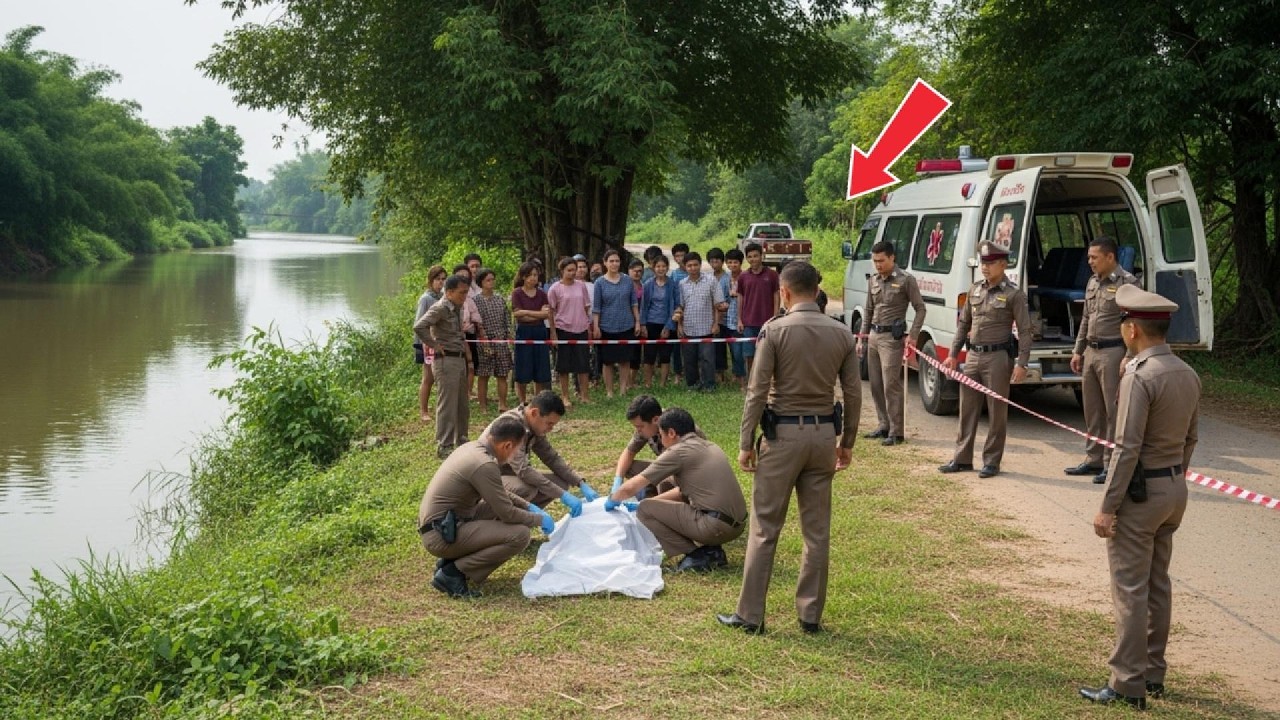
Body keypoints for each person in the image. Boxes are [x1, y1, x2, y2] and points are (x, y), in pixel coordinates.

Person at [718, 261, 860, 635]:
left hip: (783, 437)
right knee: (817, 532)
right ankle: (810, 615)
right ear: (817, 289)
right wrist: (847, 442)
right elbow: (854, 394)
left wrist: (745, 442)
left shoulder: (774, 331)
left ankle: (750, 615)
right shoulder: (842, 333)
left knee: (765, 527)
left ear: (784, 291)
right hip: (822, 437)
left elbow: (757, 391)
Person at [1078, 284, 1199, 710]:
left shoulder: (1139, 375)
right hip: (1173, 488)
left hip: (1141, 492)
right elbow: (1190, 438)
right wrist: (1172, 475)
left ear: (1131, 330)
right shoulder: (1187, 372)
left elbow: (1125, 447)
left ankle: (1127, 683)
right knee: (1157, 583)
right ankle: (1152, 672)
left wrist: (1108, 506)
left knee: (1130, 587)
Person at [418, 415, 556, 598]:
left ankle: (452, 561)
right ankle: (454, 572)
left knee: (507, 504)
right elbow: (507, 514)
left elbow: (499, 492)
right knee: (520, 535)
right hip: (441, 535)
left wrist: (528, 506)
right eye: (517, 450)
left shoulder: (472, 449)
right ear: (506, 446)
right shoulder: (484, 464)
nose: (516, 456)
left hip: (446, 524)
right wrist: (539, 519)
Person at [606, 407, 747, 573]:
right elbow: (682, 493)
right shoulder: (707, 445)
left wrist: (613, 498)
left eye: (661, 434)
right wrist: (652, 502)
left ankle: (698, 554)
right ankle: (710, 550)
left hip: (715, 527)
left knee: (645, 510)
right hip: (736, 525)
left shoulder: (677, 452)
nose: (660, 439)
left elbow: (633, 486)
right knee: (650, 502)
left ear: (671, 433)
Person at [938, 242, 1033, 479]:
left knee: (996, 412)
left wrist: (1022, 363)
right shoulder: (975, 290)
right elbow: (964, 324)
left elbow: (1025, 331)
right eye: (983, 263)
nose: (985, 267)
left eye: (990, 263)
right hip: (973, 356)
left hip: (998, 357)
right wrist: (952, 354)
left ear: (1003, 264)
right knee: (967, 409)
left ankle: (991, 461)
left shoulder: (1014, 294)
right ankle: (961, 459)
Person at [1067, 236, 1140, 484]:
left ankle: (1111, 463)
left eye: (1094, 257)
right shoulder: (1092, 282)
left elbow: (1134, 325)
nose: (1090, 262)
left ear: (1110, 257)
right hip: (1091, 352)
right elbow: (1086, 318)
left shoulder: (1128, 284)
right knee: (1092, 410)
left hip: (1113, 353)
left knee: (1112, 411)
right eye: (1089, 257)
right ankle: (1093, 459)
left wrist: (1129, 356)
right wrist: (1078, 350)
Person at [479, 390, 599, 513]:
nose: (550, 429)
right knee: (526, 488)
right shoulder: (513, 426)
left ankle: (525, 516)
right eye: (549, 423)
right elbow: (523, 470)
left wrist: (579, 482)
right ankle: (508, 519)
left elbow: (551, 457)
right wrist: (562, 495)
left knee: (560, 483)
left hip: (507, 474)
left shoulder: (532, 426)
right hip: (487, 480)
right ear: (535, 413)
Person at [857, 241, 927, 446]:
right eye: (875, 261)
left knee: (891, 385)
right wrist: (862, 338)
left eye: (881, 261)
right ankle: (883, 425)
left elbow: (920, 308)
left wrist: (913, 335)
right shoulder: (873, 281)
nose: (878, 265)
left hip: (891, 339)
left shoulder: (906, 280)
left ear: (892, 258)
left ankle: (897, 431)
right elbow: (868, 310)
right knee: (876, 385)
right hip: (874, 336)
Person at [414, 275, 473, 458]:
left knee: (462, 403)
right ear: (449, 292)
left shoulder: (458, 308)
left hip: (459, 358)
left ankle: (462, 439)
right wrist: (433, 344)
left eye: (466, 292)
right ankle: (444, 444)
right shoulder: (440, 308)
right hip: (445, 361)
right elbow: (419, 326)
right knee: (447, 404)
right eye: (461, 293)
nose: (464, 296)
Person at [611, 394, 707, 499]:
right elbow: (629, 452)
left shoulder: (679, 428)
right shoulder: (649, 423)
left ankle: (659, 501)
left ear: (656, 420)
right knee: (629, 467)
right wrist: (618, 480)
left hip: (688, 475)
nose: (638, 430)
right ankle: (650, 494)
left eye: (640, 426)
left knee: (663, 482)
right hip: (668, 467)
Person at [673, 251, 726, 391]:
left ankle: (709, 385)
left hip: (707, 328)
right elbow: (680, 306)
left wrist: (716, 324)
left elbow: (718, 304)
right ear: (685, 267)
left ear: (700, 265)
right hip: (688, 328)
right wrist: (679, 325)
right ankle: (693, 385)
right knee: (689, 361)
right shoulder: (681, 284)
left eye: (695, 264)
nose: (693, 268)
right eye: (689, 265)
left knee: (708, 360)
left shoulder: (711, 281)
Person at [591, 249, 640, 398]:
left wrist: (637, 322)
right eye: (611, 261)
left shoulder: (627, 280)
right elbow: (596, 307)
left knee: (625, 360)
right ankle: (610, 391)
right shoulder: (599, 283)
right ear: (605, 263)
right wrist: (596, 326)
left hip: (626, 325)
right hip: (606, 326)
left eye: (617, 261)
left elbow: (633, 303)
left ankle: (623, 390)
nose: (614, 264)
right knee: (608, 362)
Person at [549, 257, 592, 406]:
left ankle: (584, 395)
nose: (573, 273)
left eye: (575, 270)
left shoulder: (581, 286)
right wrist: (553, 332)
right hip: (563, 329)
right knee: (563, 366)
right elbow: (551, 312)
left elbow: (586, 307)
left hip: (581, 329)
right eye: (569, 270)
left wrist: (588, 326)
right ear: (562, 271)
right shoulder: (555, 288)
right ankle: (565, 396)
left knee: (583, 365)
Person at [511, 261, 553, 405]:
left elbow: (545, 315)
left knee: (540, 367)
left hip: (540, 331)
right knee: (523, 366)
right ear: (523, 277)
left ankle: (537, 400)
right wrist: (536, 313)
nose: (533, 278)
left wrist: (527, 312)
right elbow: (517, 315)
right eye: (530, 275)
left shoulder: (542, 294)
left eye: (535, 275)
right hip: (523, 332)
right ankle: (522, 401)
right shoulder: (517, 293)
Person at [736, 242, 780, 379]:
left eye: (756, 256)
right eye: (750, 257)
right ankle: (752, 381)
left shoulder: (772, 275)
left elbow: (776, 295)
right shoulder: (743, 276)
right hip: (748, 322)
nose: (753, 259)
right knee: (749, 355)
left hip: (767, 322)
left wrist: (776, 316)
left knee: (768, 354)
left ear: (762, 256)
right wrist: (739, 319)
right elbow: (740, 297)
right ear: (747, 259)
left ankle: (769, 382)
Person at [473, 268, 513, 413]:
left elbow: (506, 319)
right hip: (483, 342)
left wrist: (508, 334)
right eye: (487, 280)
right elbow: (475, 322)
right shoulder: (475, 301)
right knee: (483, 375)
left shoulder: (499, 299)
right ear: (481, 283)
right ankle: (483, 405)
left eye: (492, 279)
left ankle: (502, 404)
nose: (491, 282)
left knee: (502, 374)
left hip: (500, 340)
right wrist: (482, 338)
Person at [414, 264, 448, 422]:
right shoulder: (426, 298)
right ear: (431, 280)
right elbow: (420, 324)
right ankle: (424, 411)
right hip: (426, 343)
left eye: (443, 279)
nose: (440, 282)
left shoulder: (443, 297)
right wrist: (427, 342)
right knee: (428, 377)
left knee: (439, 376)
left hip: (440, 341)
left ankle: (439, 409)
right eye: (437, 279)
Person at [640, 254, 676, 387]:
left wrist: (668, 326)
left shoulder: (672, 284)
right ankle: (648, 383)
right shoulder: (648, 284)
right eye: (658, 266)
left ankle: (662, 384)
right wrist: (643, 324)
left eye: (663, 266)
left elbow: (674, 306)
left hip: (666, 323)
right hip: (651, 323)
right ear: (653, 268)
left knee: (665, 356)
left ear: (667, 268)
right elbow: (643, 306)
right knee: (649, 356)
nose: (661, 269)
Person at [453, 263, 486, 401]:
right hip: (454, 336)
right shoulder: (447, 297)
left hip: (469, 334)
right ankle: (457, 393)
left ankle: (468, 393)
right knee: (457, 365)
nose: (463, 278)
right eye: (460, 276)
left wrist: (481, 333)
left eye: (466, 276)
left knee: (471, 364)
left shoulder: (470, 298)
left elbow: (476, 316)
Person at [723, 248, 748, 388]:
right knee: (734, 351)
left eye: (735, 262)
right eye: (730, 262)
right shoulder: (725, 279)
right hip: (728, 320)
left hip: (743, 319)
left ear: (740, 263)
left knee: (742, 352)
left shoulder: (745, 277)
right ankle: (737, 375)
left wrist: (737, 294)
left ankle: (744, 379)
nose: (732, 265)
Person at [707, 248, 731, 383]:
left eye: (716, 260)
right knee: (716, 347)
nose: (714, 263)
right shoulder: (708, 278)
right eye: (711, 260)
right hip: (712, 318)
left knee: (728, 347)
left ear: (722, 262)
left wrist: (724, 306)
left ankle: (730, 374)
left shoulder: (727, 278)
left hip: (727, 318)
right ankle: (718, 374)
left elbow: (730, 299)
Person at [627, 257, 646, 387]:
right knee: (627, 353)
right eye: (634, 271)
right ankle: (626, 381)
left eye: (640, 271)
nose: (637, 273)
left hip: (640, 322)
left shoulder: (645, 286)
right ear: (629, 271)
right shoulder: (625, 286)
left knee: (636, 353)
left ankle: (632, 381)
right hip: (627, 322)